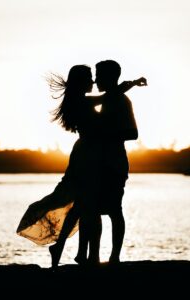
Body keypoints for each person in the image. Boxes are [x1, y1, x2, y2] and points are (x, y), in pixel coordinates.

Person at [16, 63, 146, 268]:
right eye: (90, 78)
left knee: (83, 206)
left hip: (90, 155)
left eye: (96, 76)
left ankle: (77, 252)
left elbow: (112, 107)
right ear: (81, 82)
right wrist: (129, 85)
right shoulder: (82, 102)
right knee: (86, 205)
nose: (94, 81)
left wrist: (128, 85)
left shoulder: (84, 100)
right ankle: (84, 254)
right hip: (87, 157)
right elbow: (106, 98)